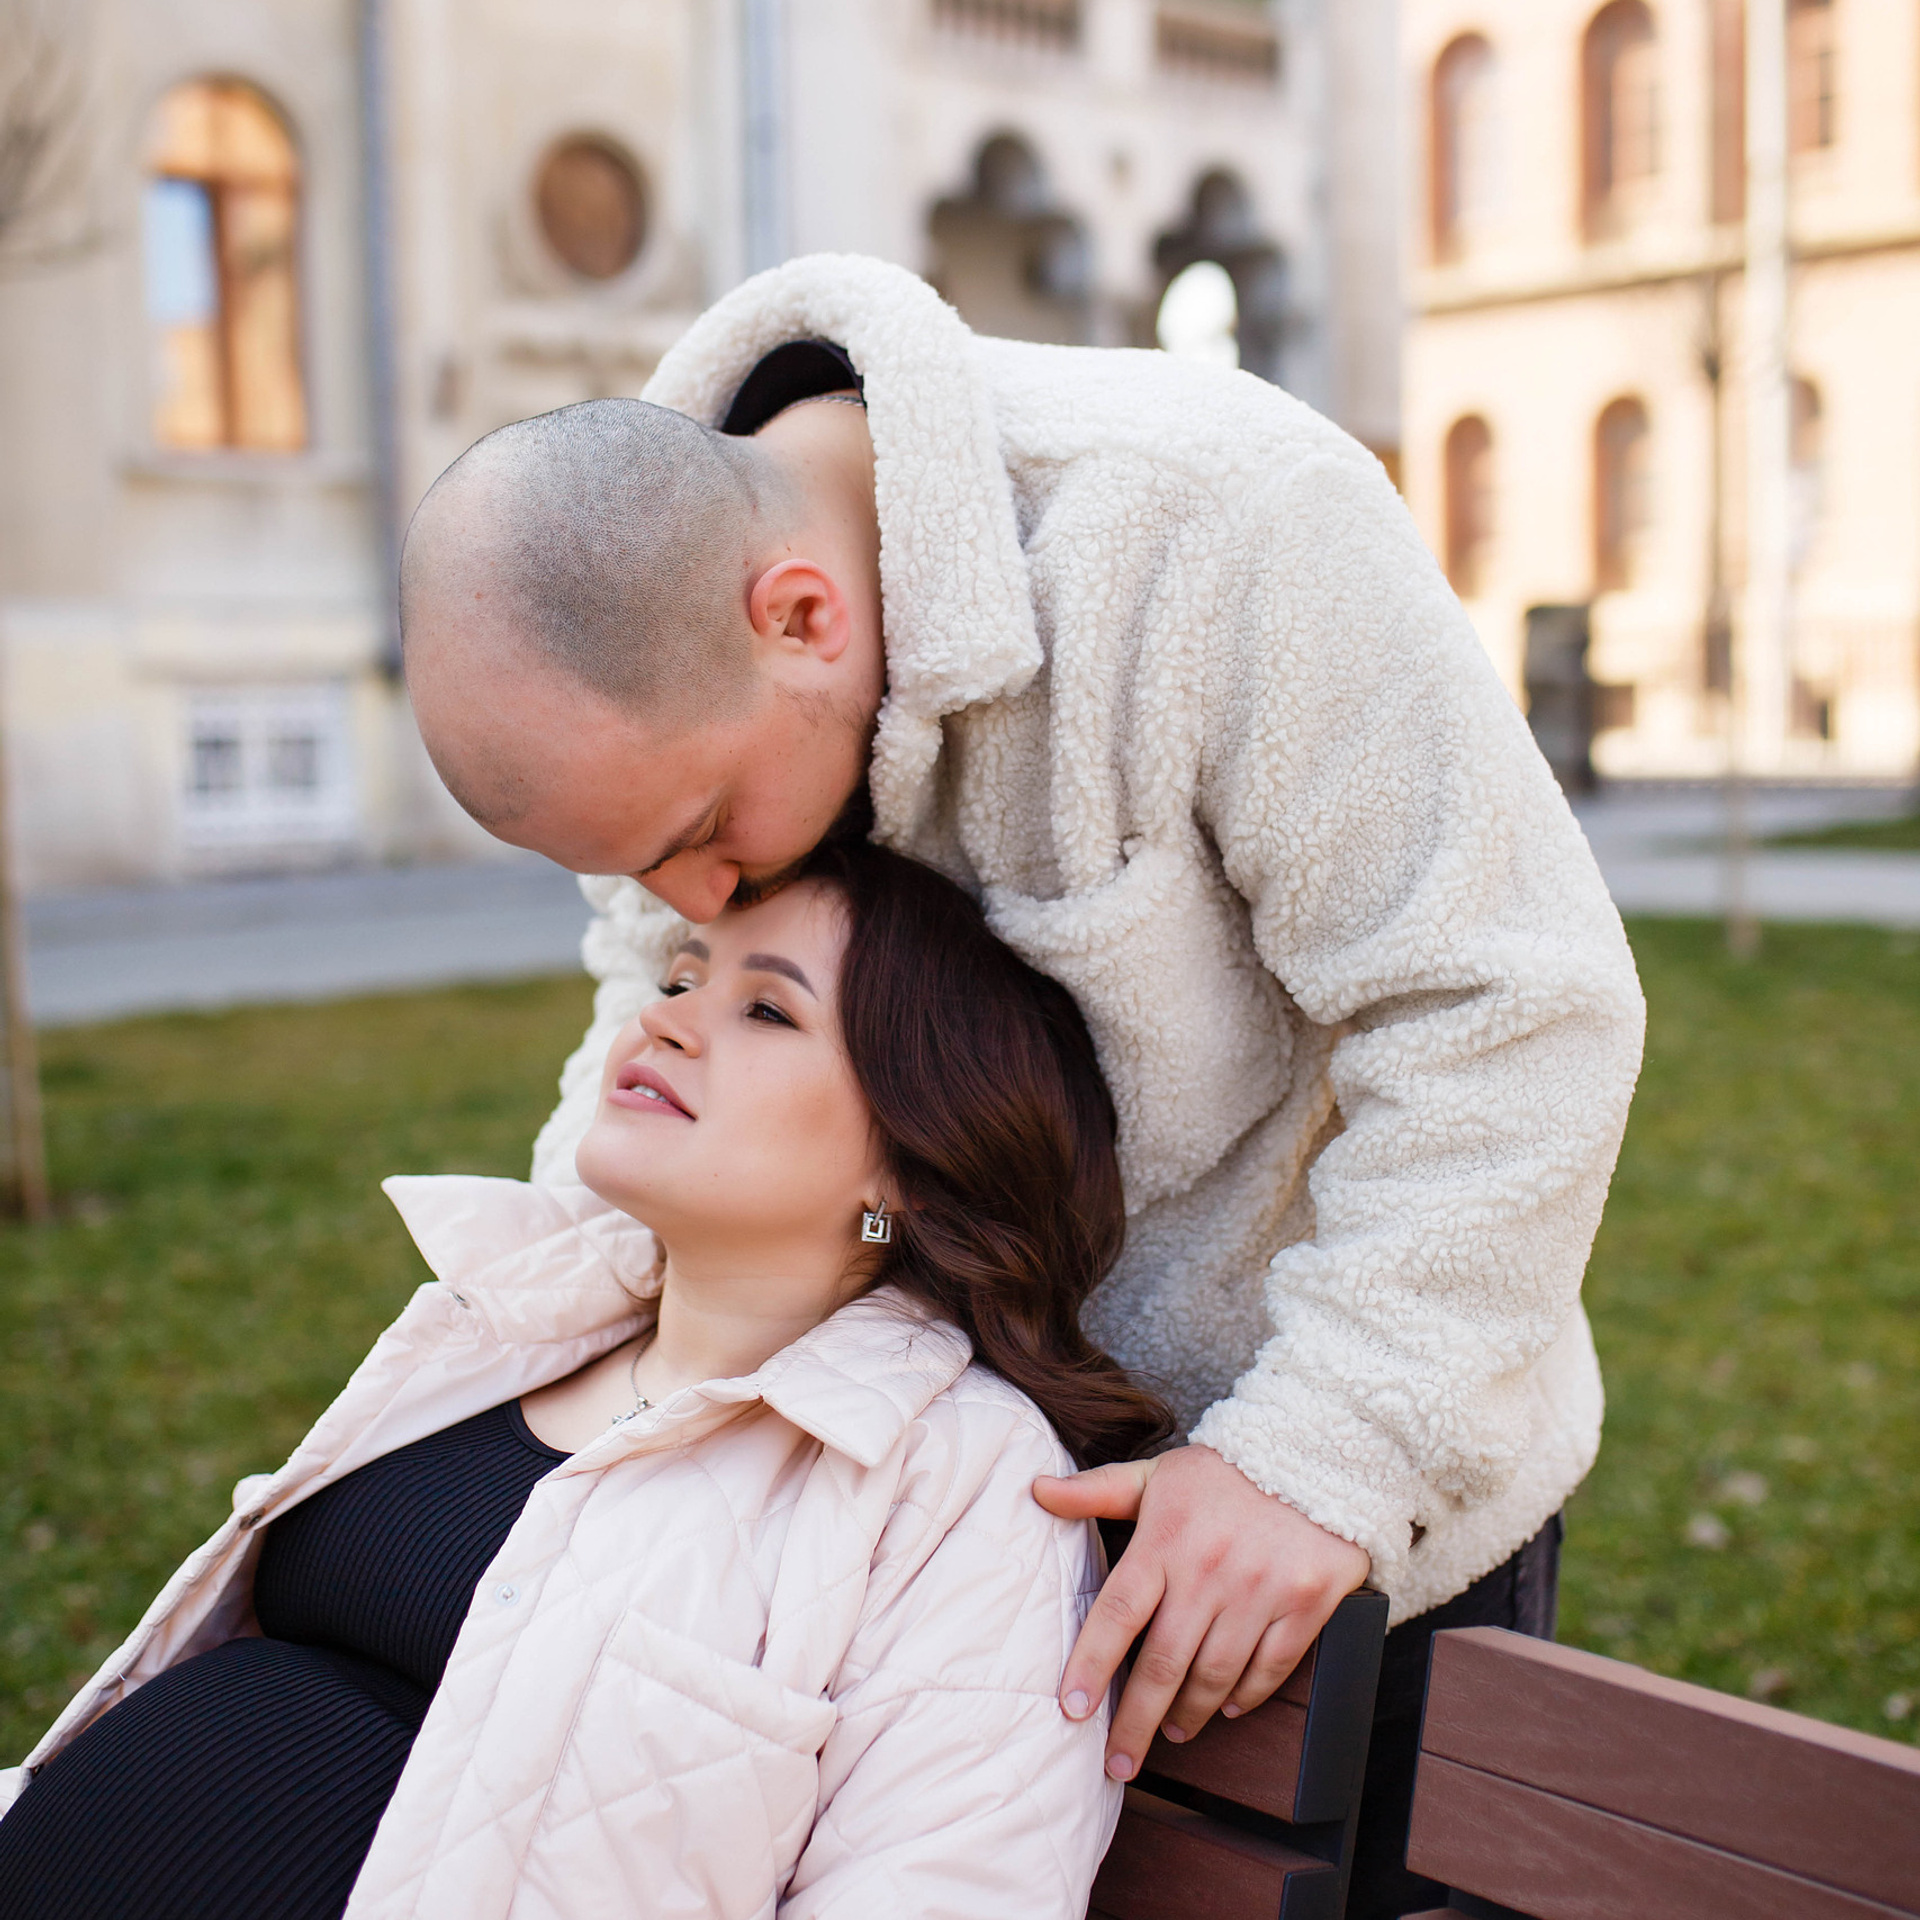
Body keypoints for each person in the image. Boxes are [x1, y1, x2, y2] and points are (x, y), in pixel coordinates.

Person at [399, 254, 1646, 1917]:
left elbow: (1510, 1007)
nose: (690, 908)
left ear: (800, 616)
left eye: (699, 837)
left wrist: (1316, 1461)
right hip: (885, 1543)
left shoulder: (1217, 522)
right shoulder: (658, 652)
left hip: (1305, 1514)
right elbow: (647, 1004)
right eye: (639, 872)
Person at [0, 841, 1169, 1920]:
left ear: (914, 1160)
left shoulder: (956, 1471)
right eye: (678, 980)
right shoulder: (516, 1320)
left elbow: (944, 1888)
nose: (667, 1024)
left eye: (766, 1008)